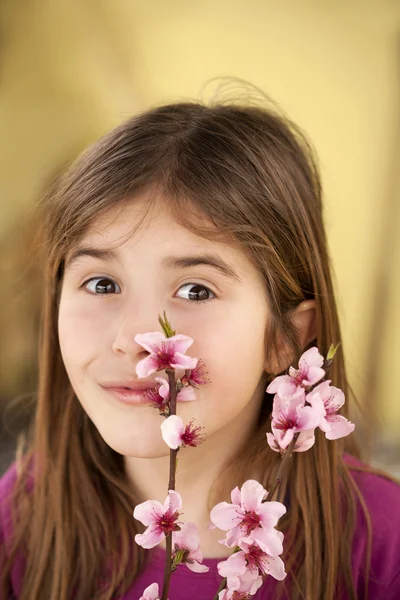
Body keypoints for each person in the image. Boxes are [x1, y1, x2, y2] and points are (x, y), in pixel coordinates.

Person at [1, 96, 399, 600]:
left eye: (195, 290)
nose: (134, 342)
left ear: (286, 337)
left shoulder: (382, 546)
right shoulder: (24, 519)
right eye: (101, 284)